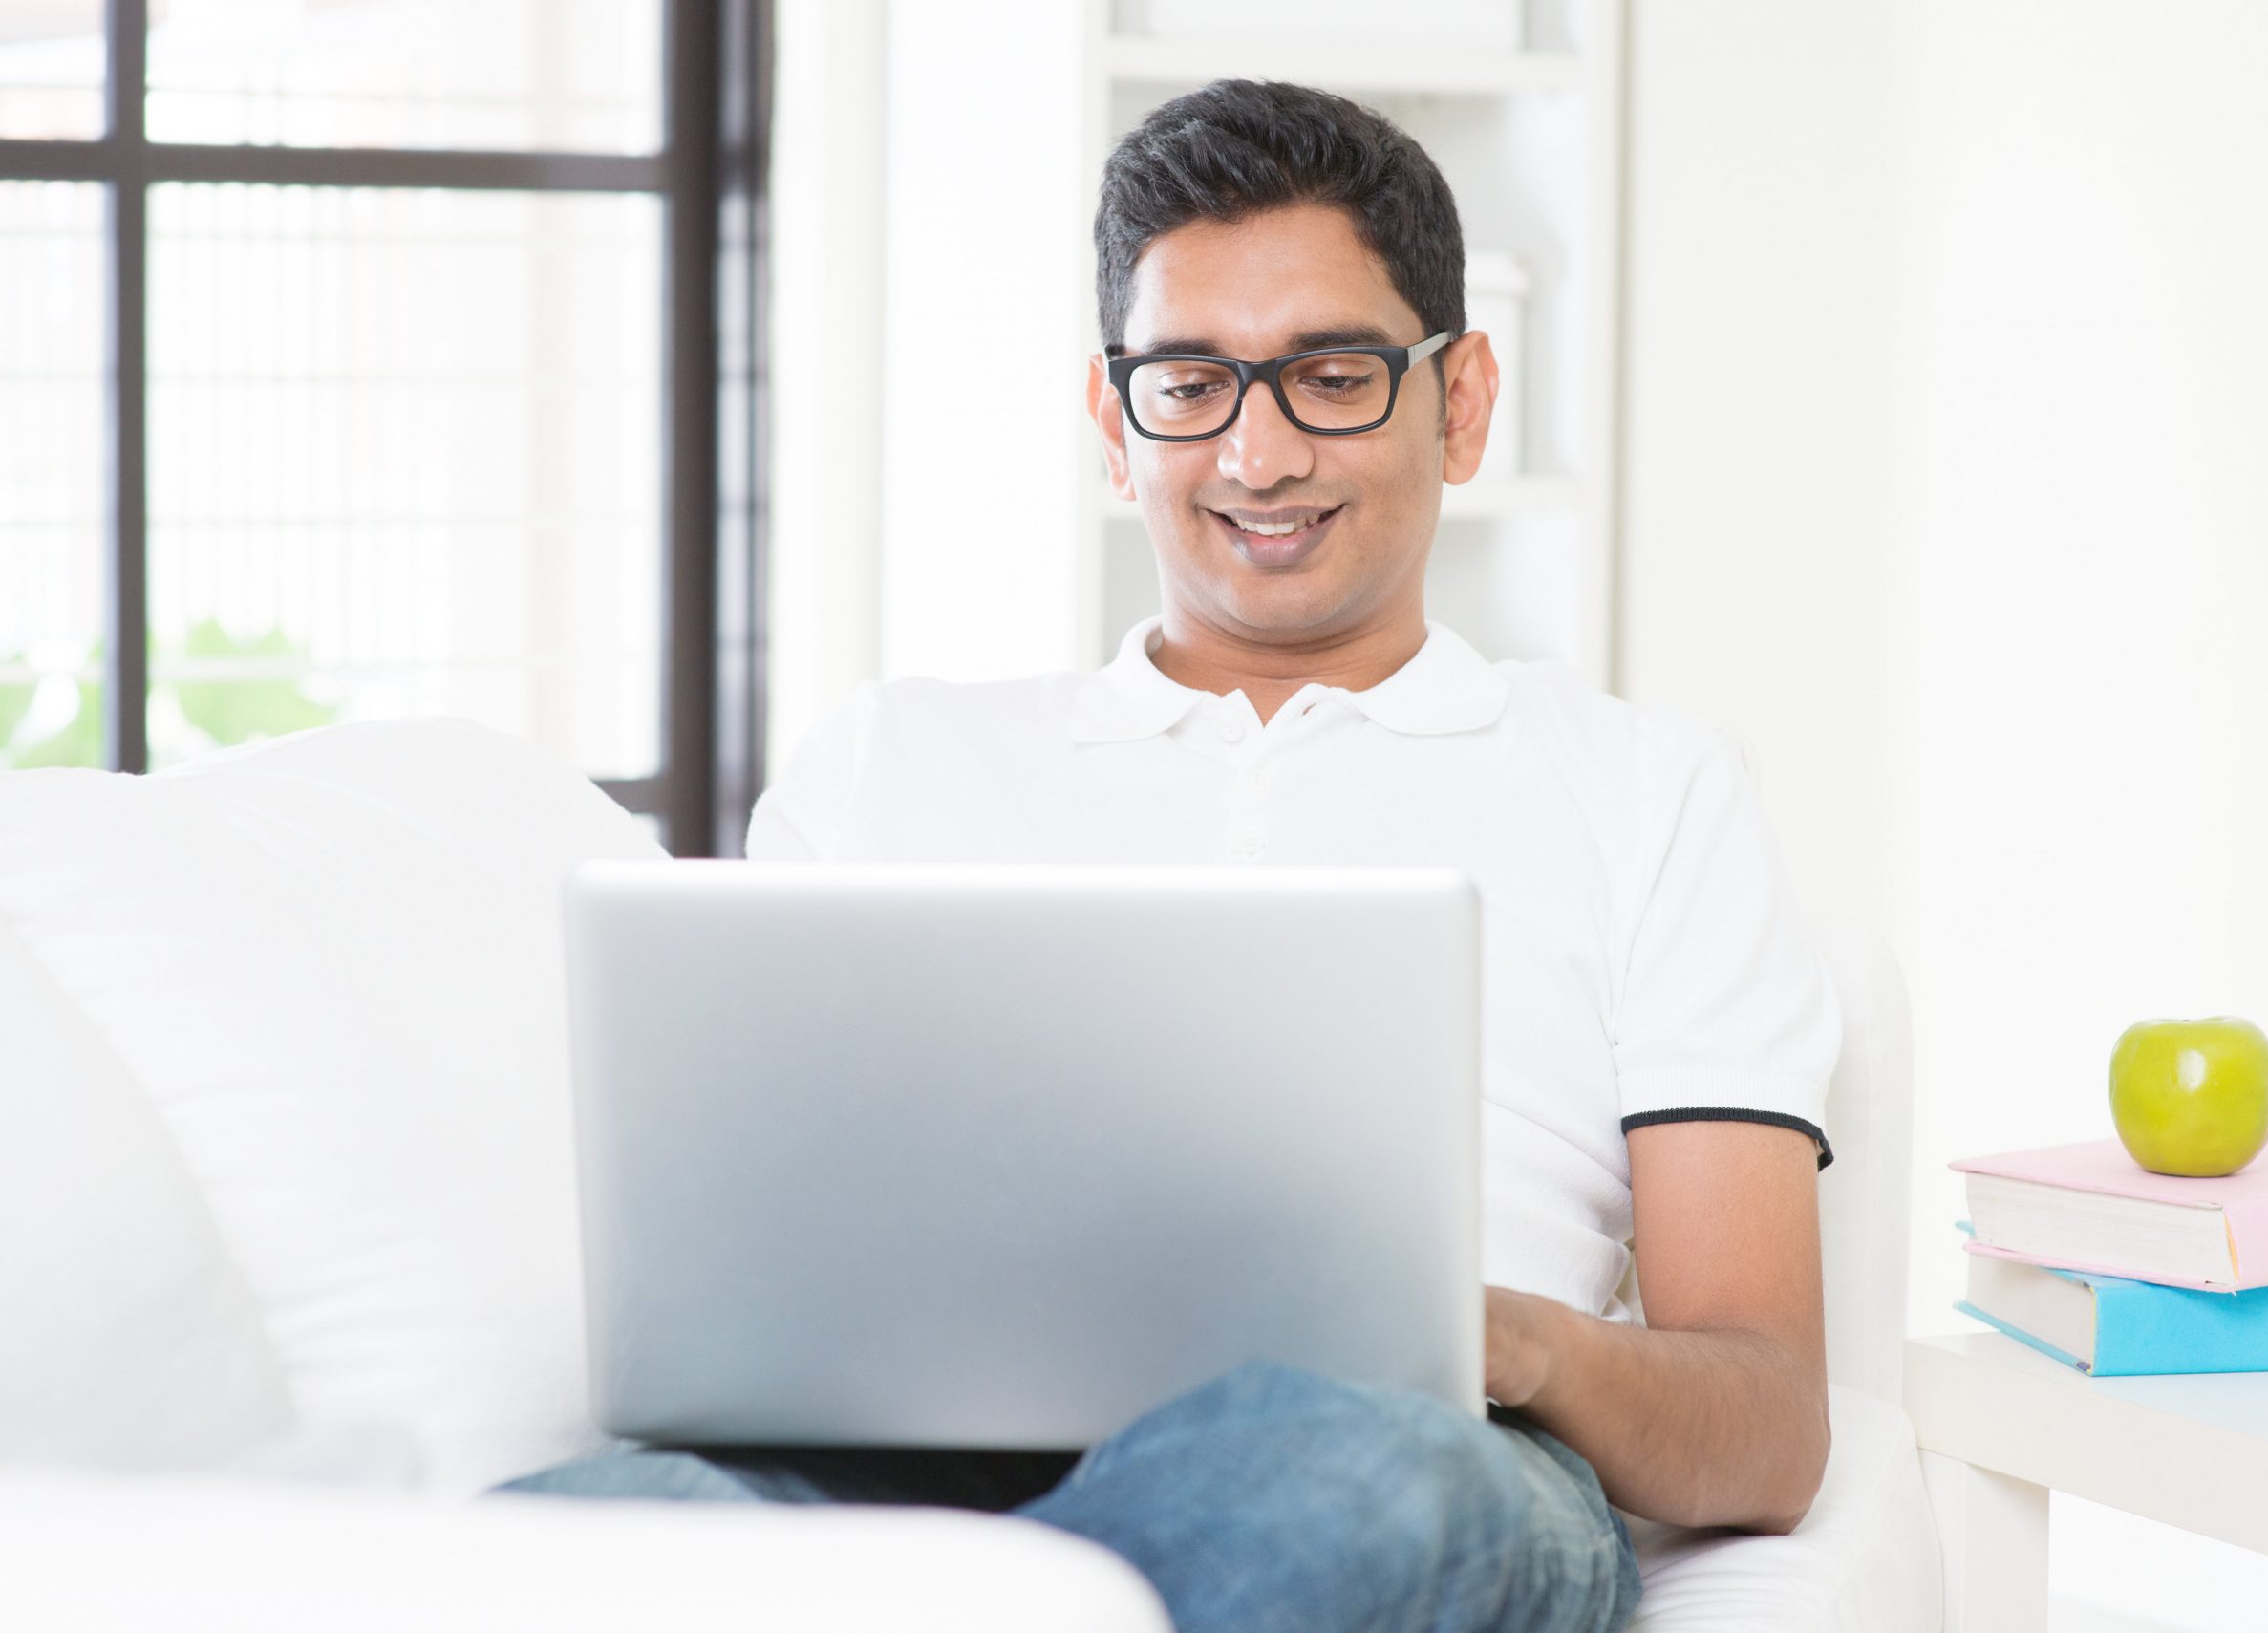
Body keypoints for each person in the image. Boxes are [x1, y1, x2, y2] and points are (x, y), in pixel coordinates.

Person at [492, 78, 1841, 1633]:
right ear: (1111, 416)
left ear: (1461, 400)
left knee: (1361, 1493)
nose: (1257, 458)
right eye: (1190, 382)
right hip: (898, 1453)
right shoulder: (892, 760)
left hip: (1411, 1449)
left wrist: (1516, 1343)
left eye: (1331, 376)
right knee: (588, 1530)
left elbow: (1766, 1423)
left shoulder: (1649, 788)